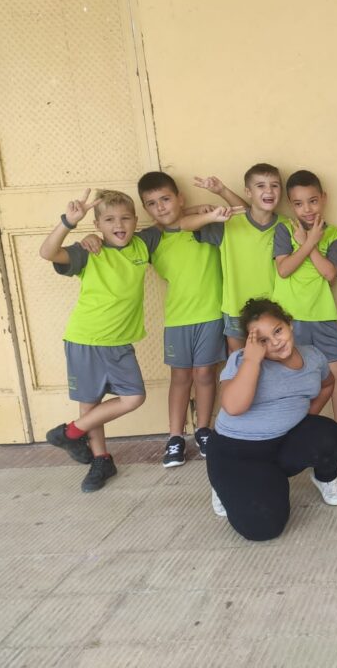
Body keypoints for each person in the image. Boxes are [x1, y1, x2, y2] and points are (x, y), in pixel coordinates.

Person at [206, 298, 337, 541]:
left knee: (331, 436)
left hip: (281, 444)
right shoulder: (241, 360)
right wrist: (252, 360)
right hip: (236, 452)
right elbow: (233, 406)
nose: (275, 342)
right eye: (262, 340)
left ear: (289, 324)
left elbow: (327, 384)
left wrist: (304, 418)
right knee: (264, 528)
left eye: (278, 331)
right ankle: (226, 486)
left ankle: (325, 479)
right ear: (252, 344)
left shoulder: (313, 356)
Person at [40, 189, 149, 492]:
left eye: (125, 218)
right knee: (90, 404)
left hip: (119, 343)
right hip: (84, 339)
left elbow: (175, 224)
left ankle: (69, 434)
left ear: (135, 220)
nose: (119, 224)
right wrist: (69, 222)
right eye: (109, 219)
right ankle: (101, 460)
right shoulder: (89, 251)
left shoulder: (144, 244)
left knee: (134, 397)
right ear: (98, 224)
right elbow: (48, 252)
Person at [136, 171, 228, 466]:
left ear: (180, 198)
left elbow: (235, 217)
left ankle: (203, 430)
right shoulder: (152, 238)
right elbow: (119, 241)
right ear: (145, 209)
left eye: (165, 199)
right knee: (180, 378)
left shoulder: (205, 226)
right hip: (177, 319)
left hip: (211, 315)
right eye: (152, 203)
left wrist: (194, 212)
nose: (160, 207)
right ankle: (175, 437)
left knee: (205, 374)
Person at [272, 169, 337, 445]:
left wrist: (310, 244)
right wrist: (307, 242)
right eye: (298, 203)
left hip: (322, 314)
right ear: (290, 204)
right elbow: (284, 269)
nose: (306, 209)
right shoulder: (284, 229)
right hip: (289, 317)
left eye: (313, 201)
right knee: (290, 374)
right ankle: (291, 429)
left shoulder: (336, 234)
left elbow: (330, 274)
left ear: (324, 198)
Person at [182, 165, 282, 353]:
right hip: (236, 310)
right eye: (261, 186)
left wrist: (222, 191)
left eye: (275, 185)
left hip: (273, 310)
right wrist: (211, 216)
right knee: (238, 364)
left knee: (273, 364)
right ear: (248, 192)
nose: (269, 191)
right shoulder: (228, 223)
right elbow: (184, 224)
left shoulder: (286, 226)